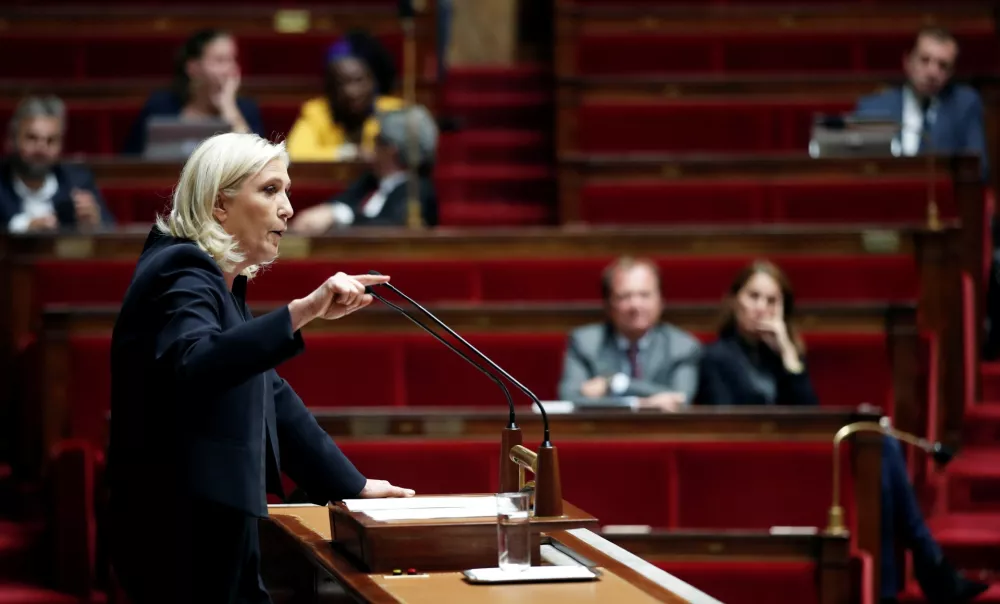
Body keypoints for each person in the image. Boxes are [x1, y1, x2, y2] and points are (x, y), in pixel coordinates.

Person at [107, 132, 413, 604]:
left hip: (215, 521)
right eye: (270, 190)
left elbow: (270, 394)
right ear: (219, 205)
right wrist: (303, 310)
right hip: (180, 535)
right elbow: (197, 364)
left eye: (286, 191)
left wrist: (355, 486)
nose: (288, 208)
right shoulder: (181, 269)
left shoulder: (215, 282)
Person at [695, 260, 987, 604]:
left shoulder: (780, 356)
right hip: (755, 468)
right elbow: (733, 427)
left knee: (877, 445)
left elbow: (810, 414)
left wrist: (789, 354)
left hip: (796, 461)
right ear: (734, 301)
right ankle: (923, 570)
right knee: (876, 452)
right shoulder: (716, 357)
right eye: (753, 296)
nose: (761, 308)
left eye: (772, 301)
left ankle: (914, 573)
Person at [558, 256, 701, 410]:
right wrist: (639, 404)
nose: (635, 305)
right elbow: (570, 398)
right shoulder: (585, 342)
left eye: (644, 295)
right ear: (608, 304)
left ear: (661, 301)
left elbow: (680, 399)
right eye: (624, 296)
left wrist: (616, 383)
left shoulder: (682, 346)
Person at [854, 27, 987, 180]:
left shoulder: (964, 106)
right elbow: (857, 170)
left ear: (952, 72)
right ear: (907, 62)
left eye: (943, 65)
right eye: (925, 60)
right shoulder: (874, 108)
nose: (932, 72)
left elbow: (980, 169)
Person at [288, 105, 438, 232]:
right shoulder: (370, 181)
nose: (369, 148)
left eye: (376, 140)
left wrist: (338, 216)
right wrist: (330, 211)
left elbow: (387, 229)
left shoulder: (418, 191)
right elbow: (341, 202)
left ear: (390, 150)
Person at [121, 28, 264, 155]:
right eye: (220, 60)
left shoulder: (246, 109)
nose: (230, 69)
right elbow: (132, 161)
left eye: (233, 59)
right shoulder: (160, 106)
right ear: (193, 68)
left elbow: (255, 163)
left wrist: (228, 106)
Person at [286, 32, 405, 162]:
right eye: (341, 82)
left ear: (374, 81)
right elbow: (295, 154)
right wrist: (350, 153)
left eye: (359, 80)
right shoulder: (317, 111)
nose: (351, 92)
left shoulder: (394, 112)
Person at [0, 95, 113, 232]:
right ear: (12, 140)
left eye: (51, 141)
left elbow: (110, 230)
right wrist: (24, 227)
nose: (41, 148)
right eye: (32, 138)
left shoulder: (78, 181)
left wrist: (95, 225)